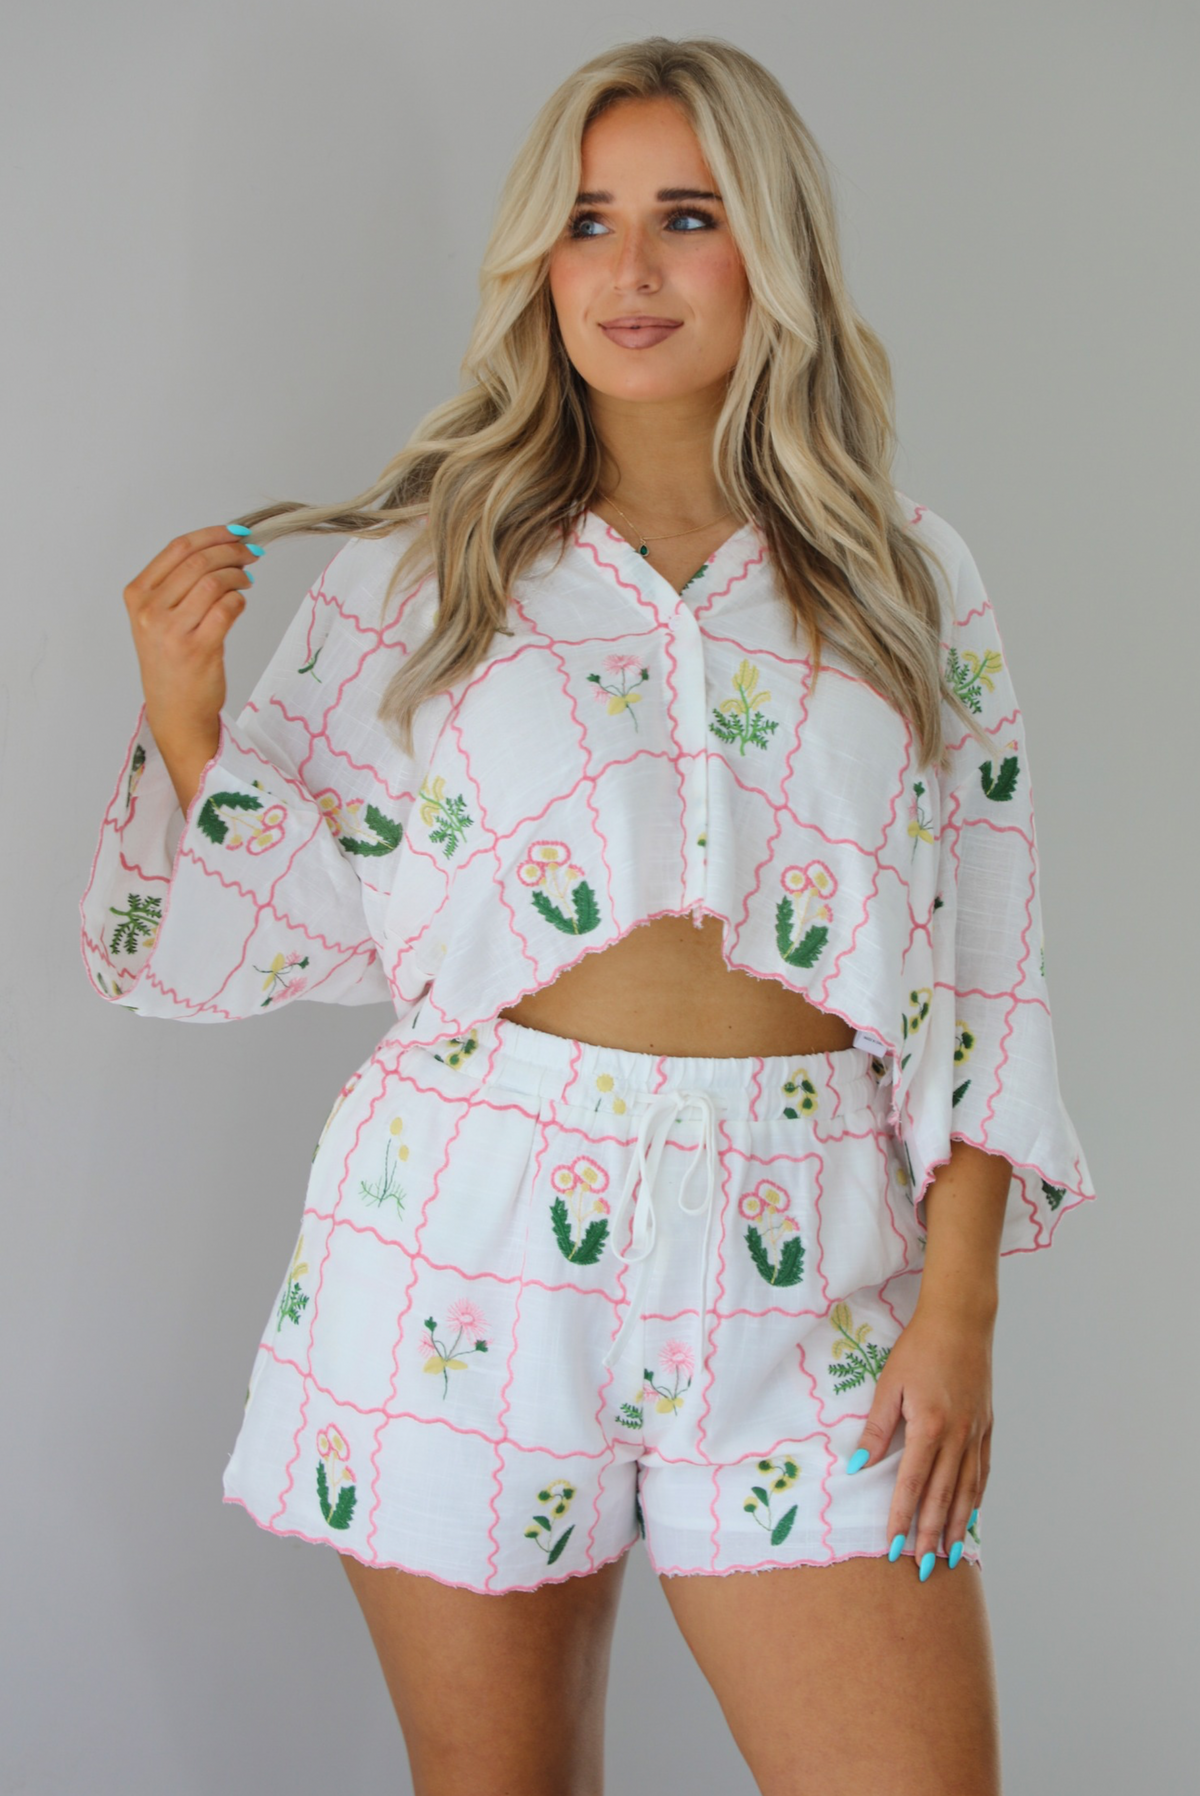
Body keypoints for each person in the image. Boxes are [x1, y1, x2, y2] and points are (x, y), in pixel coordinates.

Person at [79, 34, 1095, 1796]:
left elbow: (987, 956)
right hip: (471, 1236)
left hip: (812, 1243)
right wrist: (189, 713)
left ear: (767, 246)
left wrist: (961, 1312)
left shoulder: (908, 576)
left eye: (684, 217)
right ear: (537, 265)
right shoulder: (435, 565)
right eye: (586, 221)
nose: (627, 271)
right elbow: (299, 928)